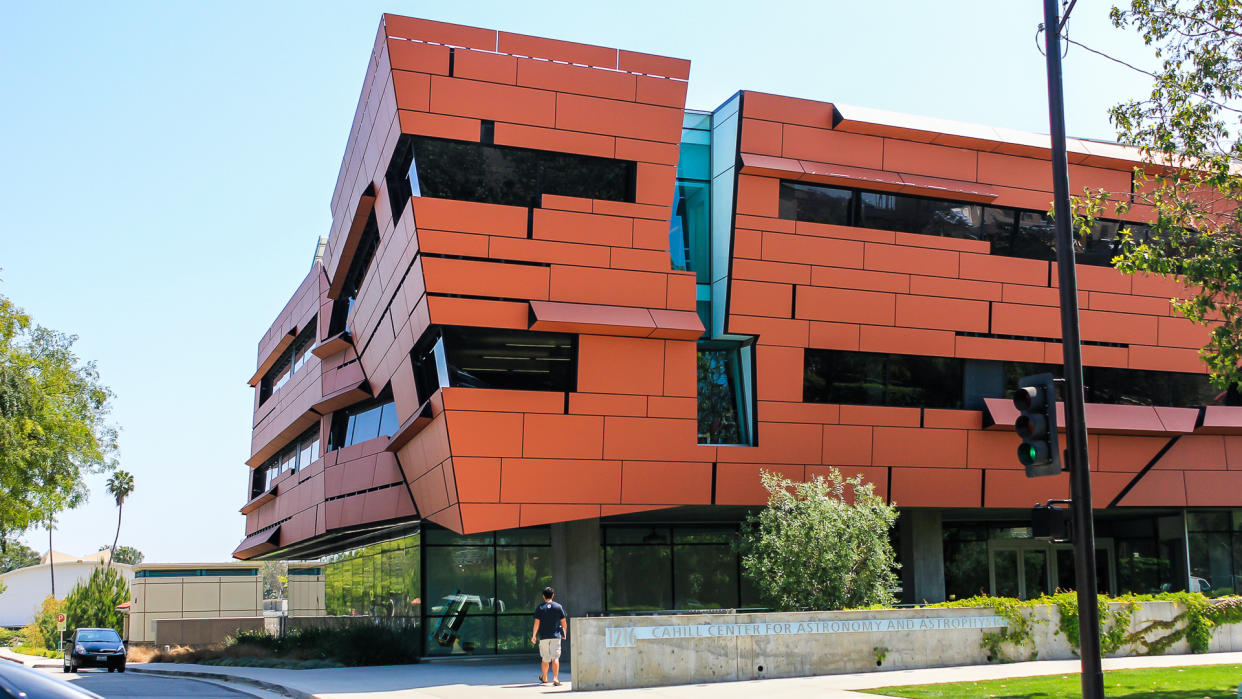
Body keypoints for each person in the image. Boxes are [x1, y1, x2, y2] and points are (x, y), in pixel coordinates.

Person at [531, 586, 567, 686]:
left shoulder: (540, 608)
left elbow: (536, 623)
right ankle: (555, 678)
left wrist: (534, 636)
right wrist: (564, 633)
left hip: (544, 637)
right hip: (556, 636)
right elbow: (564, 622)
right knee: (555, 657)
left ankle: (545, 677)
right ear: (553, 596)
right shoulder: (558, 607)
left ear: (543, 596)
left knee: (545, 658)